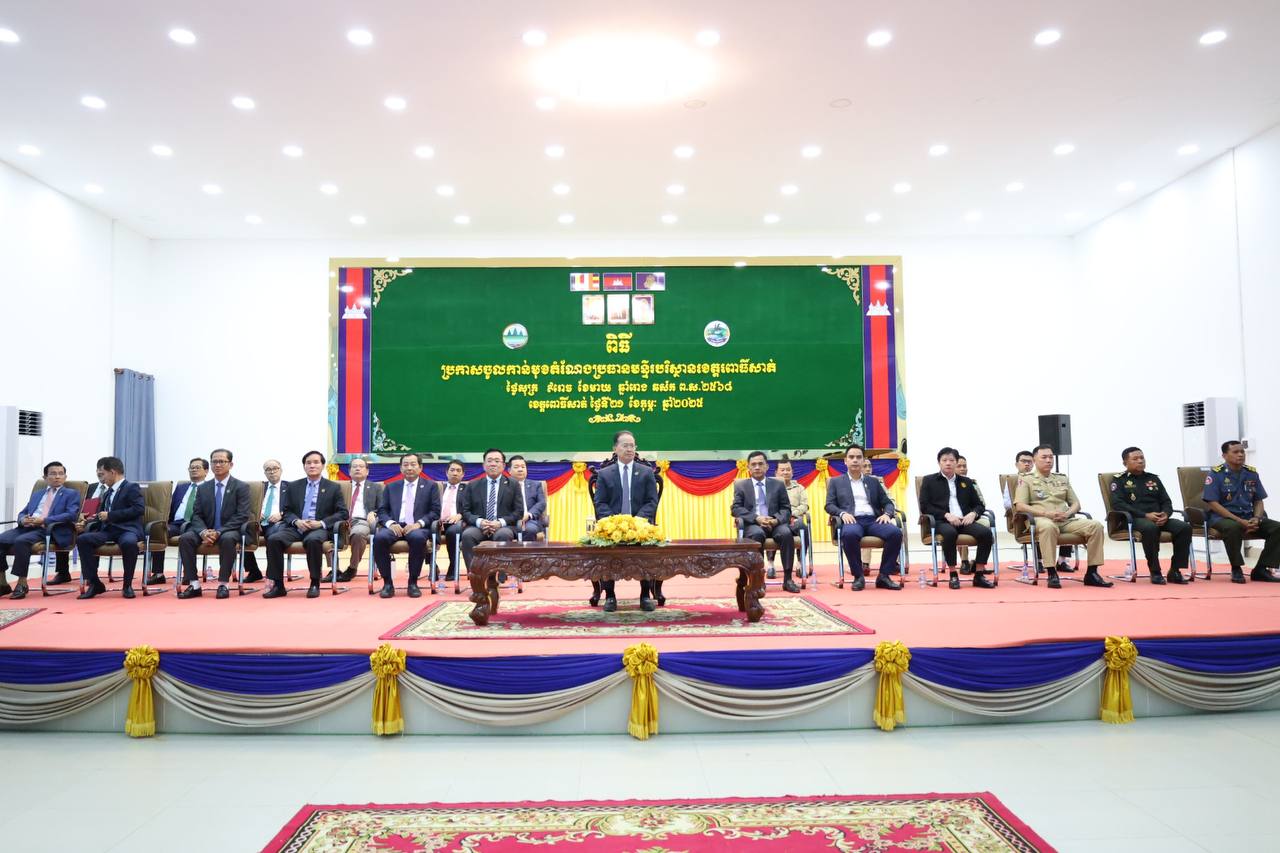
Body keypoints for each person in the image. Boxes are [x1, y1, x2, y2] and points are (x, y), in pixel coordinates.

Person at [1013, 444, 1110, 589]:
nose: (1048, 460)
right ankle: (1052, 573)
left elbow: (1076, 503)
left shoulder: (1062, 478)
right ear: (1034, 460)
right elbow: (1020, 506)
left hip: (1065, 520)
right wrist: (1046, 513)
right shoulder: (1026, 479)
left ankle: (1092, 573)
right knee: (1049, 527)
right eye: (1044, 457)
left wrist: (1068, 513)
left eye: (1051, 457)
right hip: (1040, 519)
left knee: (1096, 526)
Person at [592, 430, 662, 611]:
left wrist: (637, 522)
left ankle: (645, 595)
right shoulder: (605, 474)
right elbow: (600, 503)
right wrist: (614, 523)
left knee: (646, 553)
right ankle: (610, 596)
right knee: (606, 552)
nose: (630, 449)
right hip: (613, 527)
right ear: (615, 448)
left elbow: (651, 501)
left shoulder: (646, 472)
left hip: (640, 526)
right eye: (625, 445)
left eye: (632, 445)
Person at [264, 451, 349, 599]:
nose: (312, 465)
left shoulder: (333, 487)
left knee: (313, 540)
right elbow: (287, 511)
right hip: (297, 526)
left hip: (319, 528)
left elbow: (342, 513)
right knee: (273, 539)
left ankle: (315, 583)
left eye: (316, 462)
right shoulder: (294, 486)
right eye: (308, 463)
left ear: (323, 465)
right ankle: (278, 585)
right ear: (304, 466)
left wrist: (321, 523)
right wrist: (296, 521)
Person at [1109, 446, 1192, 585]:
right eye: (1135, 459)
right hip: (1135, 519)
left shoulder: (1153, 478)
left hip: (1158, 518)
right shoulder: (1119, 480)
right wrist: (1145, 515)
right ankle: (1155, 571)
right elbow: (1118, 504)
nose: (1140, 461)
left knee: (1184, 528)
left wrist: (1166, 514)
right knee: (1150, 528)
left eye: (1142, 458)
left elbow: (1166, 501)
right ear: (1125, 463)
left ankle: (1175, 570)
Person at [825, 444, 903, 590]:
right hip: (852, 520)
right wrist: (842, 513)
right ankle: (858, 576)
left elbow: (887, 503)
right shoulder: (836, 482)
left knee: (895, 533)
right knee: (849, 535)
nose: (855, 460)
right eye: (851, 457)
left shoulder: (873, 481)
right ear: (845, 461)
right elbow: (829, 505)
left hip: (874, 520)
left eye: (858, 457)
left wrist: (887, 514)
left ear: (863, 460)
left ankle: (884, 576)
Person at [0, 461, 81, 600]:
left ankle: (22, 583)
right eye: (53, 474)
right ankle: (2, 583)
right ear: (45, 477)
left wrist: (44, 520)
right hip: (28, 527)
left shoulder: (71, 494)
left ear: (65, 477)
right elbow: (23, 512)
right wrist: (23, 520)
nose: (57, 477)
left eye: (61, 474)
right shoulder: (38, 494)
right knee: (1, 540)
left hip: (49, 529)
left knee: (22, 541)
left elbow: (71, 515)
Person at [176, 448, 251, 599]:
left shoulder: (241, 487)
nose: (217, 465)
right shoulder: (203, 488)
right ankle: (194, 584)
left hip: (229, 529)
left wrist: (219, 531)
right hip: (206, 530)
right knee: (185, 538)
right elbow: (196, 514)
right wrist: (203, 531)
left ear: (231, 464)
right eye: (214, 461)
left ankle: (223, 584)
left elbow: (242, 515)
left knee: (228, 539)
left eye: (222, 461)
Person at [1204, 439, 1280, 584]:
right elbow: (1213, 503)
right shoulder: (1215, 474)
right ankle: (1236, 568)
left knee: (1277, 528)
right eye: (1235, 452)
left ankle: (1261, 569)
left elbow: (1258, 500)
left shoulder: (1251, 473)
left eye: (1242, 452)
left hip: (1248, 517)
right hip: (1222, 518)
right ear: (1224, 456)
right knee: (1233, 527)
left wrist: (1257, 518)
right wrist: (1240, 521)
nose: (1240, 455)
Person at [919, 447, 995, 589]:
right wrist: (946, 515)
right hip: (942, 521)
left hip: (964, 520)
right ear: (939, 463)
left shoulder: (966, 481)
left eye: (951, 460)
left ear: (956, 462)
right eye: (944, 460)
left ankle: (979, 574)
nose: (948, 463)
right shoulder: (929, 480)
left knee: (986, 534)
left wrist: (973, 514)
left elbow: (979, 505)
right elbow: (925, 506)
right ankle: (953, 574)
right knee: (950, 533)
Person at [372, 452, 441, 598]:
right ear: (400, 468)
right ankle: (387, 583)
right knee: (379, 538)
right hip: (395, 526)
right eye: (405, 465)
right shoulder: (391, 487)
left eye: (413, 464)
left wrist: (418, 524)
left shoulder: (431, 486)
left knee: (417, 538)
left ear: (420, 467)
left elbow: (435, 512)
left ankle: (413, 583)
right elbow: (382, 510)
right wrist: (391, 523)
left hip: (417, 527)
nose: (409, 468)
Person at [75, 456, 145, 599]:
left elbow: (138, 509)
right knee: (83, 539)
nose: (102, 478)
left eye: (103, 474)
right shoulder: (108, 492)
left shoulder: (131, 487)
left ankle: (127, 585)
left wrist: (111, 515)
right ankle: (95, 583)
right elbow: (102, 515)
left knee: (129, 543)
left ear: (113, 472)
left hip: (127, 529)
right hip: (108, 530)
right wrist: (86, 523)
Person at [733, 451, 798, 592]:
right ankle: (758, 581)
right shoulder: (741, 486)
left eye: (760, 464)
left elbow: (786, 509)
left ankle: (788, 579)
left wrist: (775, 520)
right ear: (748, 468)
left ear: (767, 466)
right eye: (753, 464)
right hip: (754, 524)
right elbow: (736, 509)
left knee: (786, 533)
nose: (757, 467)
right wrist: (756, 518)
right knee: (757, 535)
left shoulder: (778, 484)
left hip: (775, 523)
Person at [1010, 449, 1073, 573]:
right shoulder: (1015, 480)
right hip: (1027, 516)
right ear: (1016, 464)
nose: (1027, 464)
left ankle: (1062, 560)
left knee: (1064, 513)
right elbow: (1010, 503)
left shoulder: (1051, 478)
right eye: (1023, 461)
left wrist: (1064, 513)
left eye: (1029, 462)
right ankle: (1041, 562)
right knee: (1043, 524)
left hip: (1052, 515)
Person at [459, 448, 519, 578]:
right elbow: (465, 511)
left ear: (503, 465)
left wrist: (500, 523)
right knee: (468, 535)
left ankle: (501, 574)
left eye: (497, 461)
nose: (493, 464)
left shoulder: (513, 484)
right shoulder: (473, 485)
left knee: (503, 535)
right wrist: (479, 522)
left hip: (503, 527)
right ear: (483, 465)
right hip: (479, 527)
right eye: (490, 461)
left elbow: (518, 511)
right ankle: (476, 575)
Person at [156, 457, 209, 584]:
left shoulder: (209, 488)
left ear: (206, 471)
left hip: (195, 524)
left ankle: (189, 574)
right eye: (191, 468)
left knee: (187, 538)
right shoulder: (181, 487)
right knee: (158, 532)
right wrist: (165, 522)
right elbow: (171, 506)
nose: (194, 470)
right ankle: (158, 574)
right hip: (176, 523)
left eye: (197, 467)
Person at [53, 465, 107, 584]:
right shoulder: (89, 488)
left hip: (100, 523)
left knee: (90, 533)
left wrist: (88, 522)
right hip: (82, 520)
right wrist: (80, 516)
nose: (100, 472)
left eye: (103, 470)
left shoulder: (115, 489)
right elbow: (77, 505)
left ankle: (91, 575)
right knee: (61, 529)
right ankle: (63, 572)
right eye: (98, 469)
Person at [337, 457, 383, 582]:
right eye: (354, 466)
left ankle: (352, 568)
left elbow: (383, 508)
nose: (358, 469)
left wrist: (373, 513)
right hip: (341, 520)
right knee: (324, 533)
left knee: (358, 533)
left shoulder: (376, 487)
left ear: (367, 471)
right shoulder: (340, 487)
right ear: (349, 471)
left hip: (362, 521)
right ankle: (334, 570)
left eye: (361, 466)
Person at [241, 459, 286, 583]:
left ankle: (272, 574)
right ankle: (253, 571)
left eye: (275, 468)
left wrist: (281, 514)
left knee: (273, 536)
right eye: (268, 469)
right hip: (258, 522)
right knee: (242, 532)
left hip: (277, 523)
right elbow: (247, 507)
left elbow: (296, 507)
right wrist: (255, 515)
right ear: (264, 473)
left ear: (281, 470)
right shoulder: (259, 487)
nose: (272, 472)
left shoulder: (289, 487)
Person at [771, 457, 810, 577]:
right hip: (778, 520)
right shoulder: (771, 487)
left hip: (794, 519)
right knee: (770, 528)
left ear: (792, 472)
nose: (785, 472)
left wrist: (793, 513)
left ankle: (800, 563)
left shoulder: (799, 488)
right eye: (782, 470)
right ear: (776, 473)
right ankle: (770, 565)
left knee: (803, 528)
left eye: (788, 470)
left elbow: (805, 505)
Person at [434, 459, 467, 582]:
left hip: (457, 522)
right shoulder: (437, 488)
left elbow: (472, 508)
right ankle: (433, 566)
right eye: (452, 470)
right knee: (425, 530)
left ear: (463, 474)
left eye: (458, 471)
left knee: (453, 531)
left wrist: (460, 515)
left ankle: (453, 567)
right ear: (446, 472)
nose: (455, 473)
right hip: (437, 522)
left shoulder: (467, 489)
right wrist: (436, 519)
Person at [509, 455, 547, 539]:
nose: (520, 469)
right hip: (510, 522)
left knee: (529, 529)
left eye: (523, 467)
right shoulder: (504, 485)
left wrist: (529, 515)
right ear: (509, 471)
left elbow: (541, 503)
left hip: (530, 521)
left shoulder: (536, 485)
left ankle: (525, 549)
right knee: (503, 533)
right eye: (516, 467)